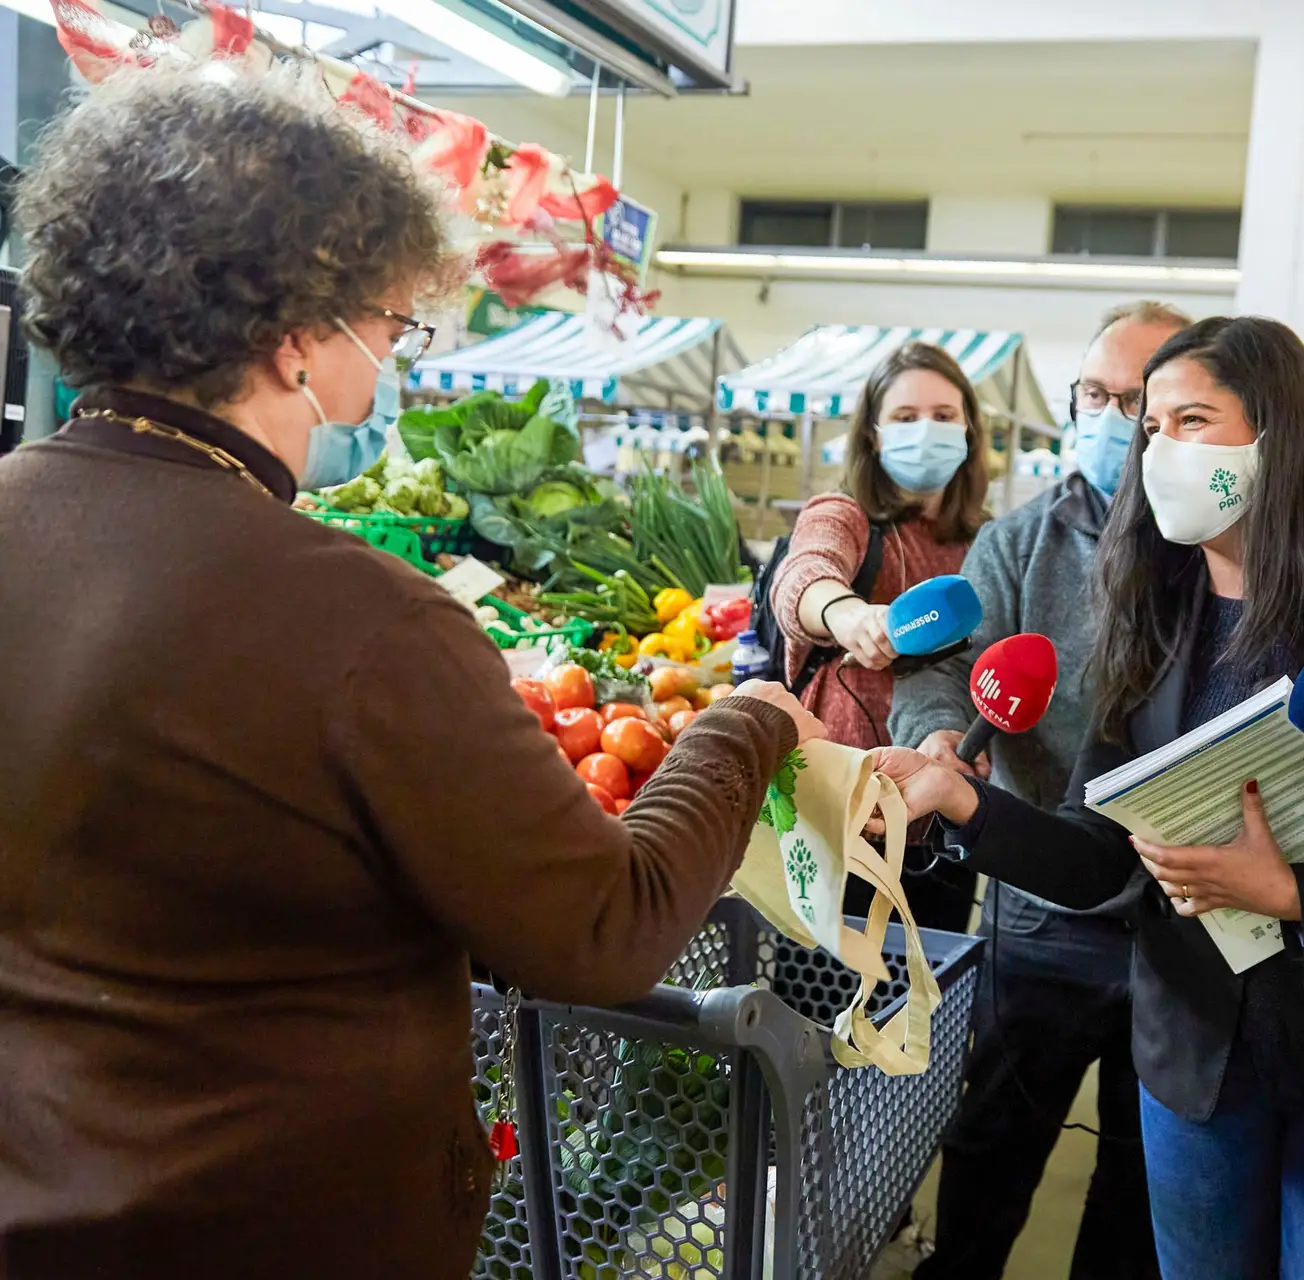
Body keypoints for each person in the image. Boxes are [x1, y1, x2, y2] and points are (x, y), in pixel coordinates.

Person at [0, 67, 817, 1278]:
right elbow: (600, 928)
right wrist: (745, 724)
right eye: (387, 323)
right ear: (295, 338)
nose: (392, 356)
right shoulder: (360, 615)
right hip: (274, 1225)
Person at [878, 316, 1304, 1280]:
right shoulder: (1150, 605)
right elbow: (1102, 855)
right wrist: (962, 802)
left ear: (1279, 433)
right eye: (1152, 426)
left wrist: (1295, 896)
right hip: (1197, 1064)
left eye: (1194, 420)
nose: (1159, 448)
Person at [889, 300, 1188, 1280]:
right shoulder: (1020, 540)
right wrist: (934, 731)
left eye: (1135, 398)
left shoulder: (1220, 559)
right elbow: (939, 667)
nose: (1110, 416)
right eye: (1093, 393)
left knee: (1141, 1181)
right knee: (991, 1149)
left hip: (1183, 918)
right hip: (1040, 913)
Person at [769, 339, 991, 930]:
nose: (927, 430)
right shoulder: (844, 516)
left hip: (944, 823)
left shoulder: (991, 543)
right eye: (905, 416)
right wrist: (848, 615)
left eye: (944, 416)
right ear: (872, 433)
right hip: (838, 813)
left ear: (969, 429)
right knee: (817, 995)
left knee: (925, 993)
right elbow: (803, 576)